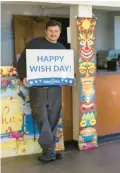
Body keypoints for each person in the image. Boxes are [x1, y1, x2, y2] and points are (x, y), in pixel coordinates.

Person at [17, 20, 66, 162]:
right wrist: (23, 76)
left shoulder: (62, 49)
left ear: (60, 32)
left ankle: (49, 153)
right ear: (45, 31)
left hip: (55, 90)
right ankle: (49, 149)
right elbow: (21, 62)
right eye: (51, 31)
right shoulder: (34, 44)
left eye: (56, 31)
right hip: (37, 90)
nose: (53, 34)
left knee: (53, 120)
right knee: (42, 119)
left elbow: (65, 70)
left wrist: (68, 77)